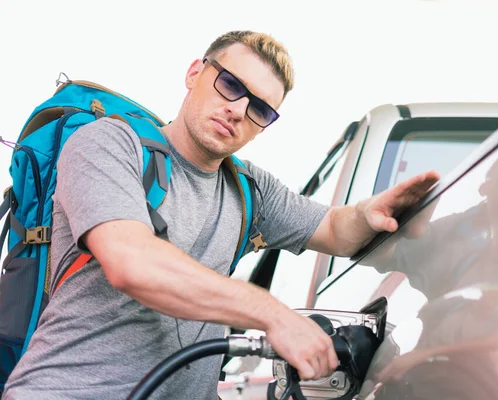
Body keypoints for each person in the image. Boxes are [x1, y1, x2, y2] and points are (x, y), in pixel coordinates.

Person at [2, 30, 439, 399]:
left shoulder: (250, 188)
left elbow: (334, 230)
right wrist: (274, 314)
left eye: (260, 109)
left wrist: (368, 213)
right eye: (230, 84)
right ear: (196, 72)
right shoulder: (110, 143)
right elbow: (130, 261)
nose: (237, 110)